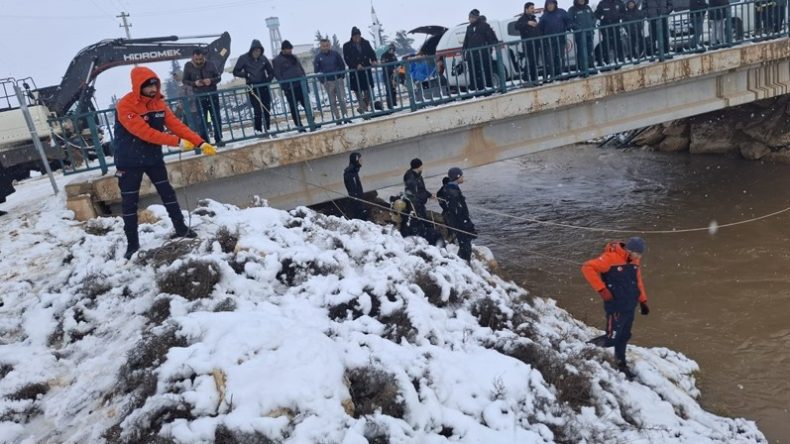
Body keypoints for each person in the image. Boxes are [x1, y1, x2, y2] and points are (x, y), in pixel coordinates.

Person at [114, 66, 217, 260]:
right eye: (148, 86)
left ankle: (180, 227)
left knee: (167, 192)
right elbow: (143, 131)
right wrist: (175, 142)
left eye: (155, 85)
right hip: (128, 161)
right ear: (138, 86)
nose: (153, 90)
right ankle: (132, 244)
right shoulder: (125, 105)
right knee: (130, 202)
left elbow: (176, 125)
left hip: (152, 157)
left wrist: (200, 142)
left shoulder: (158, 103)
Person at [581, 237, 650, 380]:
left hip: (630, 305)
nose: (640, 257)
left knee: (623, 337)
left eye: (640, 255)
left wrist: (643, 300)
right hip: (616, 306)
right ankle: (585, 349)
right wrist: (602, 290)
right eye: (638, 254)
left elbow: (638, 281)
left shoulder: (634, 261)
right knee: (612, 338)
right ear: (630, 250)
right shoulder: (610, 258)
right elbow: (587, 267)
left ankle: (621, 364)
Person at [182, 48, 224, 146]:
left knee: (216, 117)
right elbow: (185, 80)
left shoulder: (210, 64)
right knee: (202, 119)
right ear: (193, 57)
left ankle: (218, 139)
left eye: (200, 59)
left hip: (212, 95)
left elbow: (218, 77)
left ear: (203, 57)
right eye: (196, 59)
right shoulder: (188, 66)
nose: (199, 61)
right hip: (199, 96)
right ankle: (205, 141)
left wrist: (211, 81)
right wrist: (194, 83)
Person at [232, 39, 275, 135]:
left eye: (259, 51)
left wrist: (268, 81)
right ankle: (258, 129)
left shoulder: (263, 58)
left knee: (266, 107)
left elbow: (271, 71)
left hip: (263, 86)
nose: (257, 53)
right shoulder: (243, 58)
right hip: (252, 87)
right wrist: (246, 74)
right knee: (257, 110)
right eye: (255, 50)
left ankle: (268, 128)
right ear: (251, 50)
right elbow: (236, 71)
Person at [273, 40, 308, 132]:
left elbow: (300, 69)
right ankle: (299, 125)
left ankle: (311, 121)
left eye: (290, 49)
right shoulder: (277, 60)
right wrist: (285, 85)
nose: (290, 51)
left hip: (300, 85)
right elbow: (278, 74)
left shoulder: (294, 58)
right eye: (288, 49)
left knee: (306, 104)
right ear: (283, 50)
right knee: (293, 107)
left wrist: (304, 81)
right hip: (289, 87)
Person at [403, 158, 440, 244]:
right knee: (420, 224)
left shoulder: (418, 176)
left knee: (425, 223)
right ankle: (422, 240)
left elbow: (422, 189)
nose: (423, 168)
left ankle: (425, 238)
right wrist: (417, 207)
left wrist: (429, 195)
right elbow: (413, 195)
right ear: (418, 166)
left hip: (420, 204)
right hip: (416, 206)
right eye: (421, 166)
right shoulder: (410, 178)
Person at [443, 168, 477, 262]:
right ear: (457, 177)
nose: (463, 177)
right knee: (466, 247)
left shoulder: (451, 189)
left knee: (464, 245)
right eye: (461, 175)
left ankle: (460, 264)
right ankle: (464, 265)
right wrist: (468, 225)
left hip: (457, 222)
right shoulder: (453, 193)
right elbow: (459, 212)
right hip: (460, 224)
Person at [313, 38, 350, 124]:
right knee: (332, 101)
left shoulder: (335, 54)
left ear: (329, 45)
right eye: (323, 46)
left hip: (338, 80)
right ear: (321, 46)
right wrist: (323, 81)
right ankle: (338, 119)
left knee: (342, 100)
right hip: (328, 82)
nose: (325, 47)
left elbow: (342, 65)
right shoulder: (318, 57)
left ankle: (345, 117)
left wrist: (341, 76)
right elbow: (317, 71)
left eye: (327, 46)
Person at [462, 9, 500, 91]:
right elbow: (466, 41)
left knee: (487, 71)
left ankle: (489, 88)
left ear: (476, 17)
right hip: (472, 54)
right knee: (474, 73)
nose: (470, 19)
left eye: (472, 17)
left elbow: (492, 38)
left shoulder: (484, 26)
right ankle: (476, 89)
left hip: (483, 53)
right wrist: (464, 52)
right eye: (469, 17)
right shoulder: (469, 28)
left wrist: (490, 48)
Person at [343, 27, 378, 113]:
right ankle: (364, 109)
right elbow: (347, 59)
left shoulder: (366, 43)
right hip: (355, 72)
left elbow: (371, 53)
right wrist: (355, 65)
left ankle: (363, 107)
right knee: (358, 91)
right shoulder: (347, 46)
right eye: (355, 36)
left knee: (368, 92)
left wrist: (374, 60)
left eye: (358, 36)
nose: (357, 38)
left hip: (366, 70)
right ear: (352, 37)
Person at [539, 0, 572, 82]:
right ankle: (553, 76)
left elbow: (568, 21)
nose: (550, 6)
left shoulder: (561, 12)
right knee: (551, 60)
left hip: (560, 40)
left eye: (551, 4)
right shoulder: (544, 16)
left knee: (560, 58)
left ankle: (561, 74)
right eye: (548, 5)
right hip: (549, 42)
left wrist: (568, 27)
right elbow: (541, 29)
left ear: (555, 4)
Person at [515, 2, 542, 85]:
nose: (533, 10)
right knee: (531, 62)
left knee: (534, 62)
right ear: (526, 9)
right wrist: (527, 23)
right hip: (528, 44)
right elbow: (516, 26)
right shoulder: (522, 19)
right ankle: (530, 79)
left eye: (533, 8)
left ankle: (530, 78)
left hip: (536, 43)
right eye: (531, 8)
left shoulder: (534, 18)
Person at [568, 0, 597, 75]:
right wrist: (578, 29)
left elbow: (593, 17)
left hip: (590, 33)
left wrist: (592, 24)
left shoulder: (587, 7)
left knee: (590, 50)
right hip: (580, 35)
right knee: (581, 52)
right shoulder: (572, 9)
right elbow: (570, 22)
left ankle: (591, 66)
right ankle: (583, 69)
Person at [596, 0, 626, 65]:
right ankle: (607, 60)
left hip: (616, 26)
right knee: (606, 44)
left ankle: (620, 59)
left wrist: (618, 16)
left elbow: (624, 13)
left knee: (618, 42)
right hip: (606, 27)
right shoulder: (602, 3)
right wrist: (602, 17)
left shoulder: (619, 2)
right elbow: (597, 14)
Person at [343, 152, 367, 220]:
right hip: (356, 204)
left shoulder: (354, 171)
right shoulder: (350, 173)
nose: (362, 162)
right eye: (360, 160)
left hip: (358, 202)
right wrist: (359, 206)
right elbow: (354, 191)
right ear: (356, 160)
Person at [380, 43, 399, 109]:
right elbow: (383, 65)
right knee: (388, 90)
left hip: (393, 75)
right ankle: (390, 106)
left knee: (394, 90)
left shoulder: (393, 56)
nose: (393, 51)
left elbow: (397, 63)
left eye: (394, 50)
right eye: (392, 49)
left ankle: (394, 104)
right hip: (387, 75)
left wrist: (397, 68)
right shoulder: (384, 56)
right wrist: (391, 69)